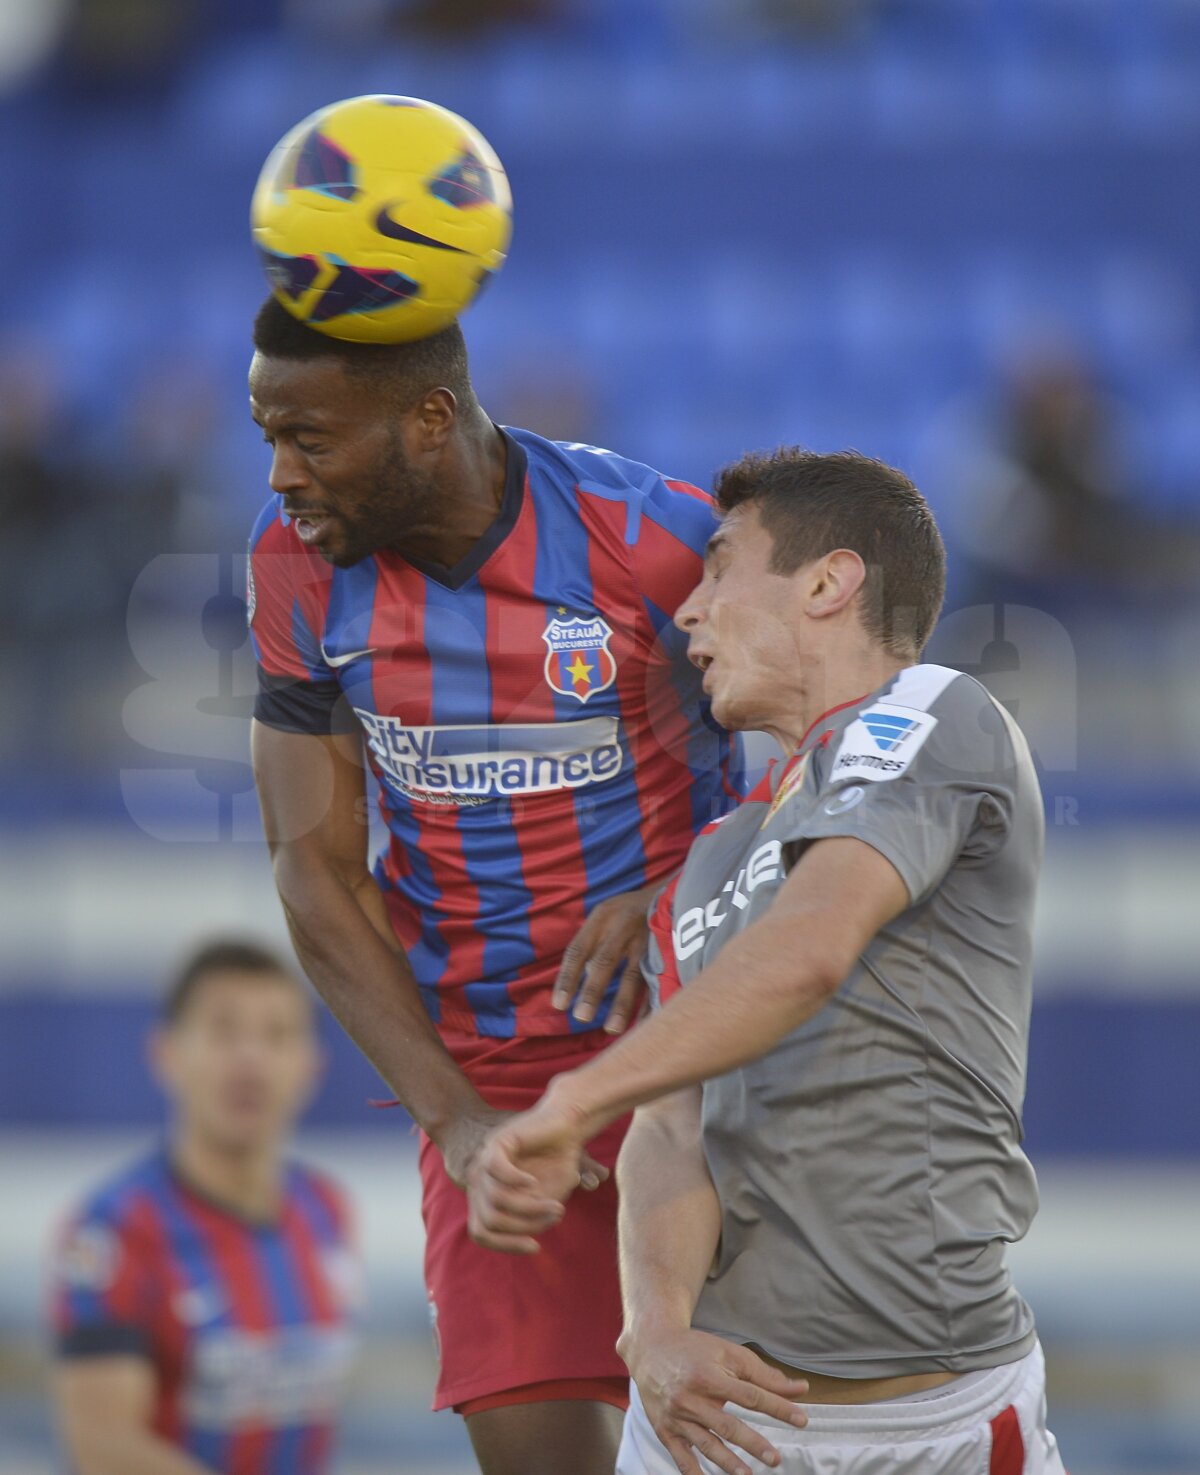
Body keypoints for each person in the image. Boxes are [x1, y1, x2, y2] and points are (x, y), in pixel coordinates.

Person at [467, 449, 1065, 1475]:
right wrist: (652, 1330)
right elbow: (671, 1124)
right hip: (709, 1422)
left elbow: (811, 949)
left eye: (717, 569)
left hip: (930, 1420)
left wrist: (572, 1097)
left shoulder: (933, 711)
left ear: (830, 583)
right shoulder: (705, 861)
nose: (685, 613)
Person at [246, 297, 742, 1475]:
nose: (281, 475)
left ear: (427, 420)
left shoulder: (657, 536)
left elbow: (832, 758)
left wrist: (682, 876)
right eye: (269, 434)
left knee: (752, 1439)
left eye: (310, 438)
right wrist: (454, 1118)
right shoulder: (293, 566)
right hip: (497, 1087)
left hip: (704, 1052)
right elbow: (310, 864)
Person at [51, 939, 358, 1475]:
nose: (251, 1059)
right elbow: (102, 1450)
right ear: (167, 1054)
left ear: (311, 1065)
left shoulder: (327, 1211)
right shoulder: (115, 1230)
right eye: (223, 1031)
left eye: (278, 1035)